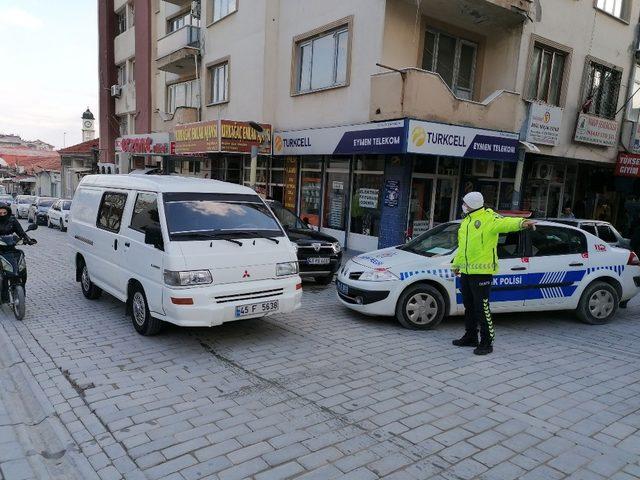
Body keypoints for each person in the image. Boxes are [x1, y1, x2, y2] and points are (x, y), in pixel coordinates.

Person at [451, 192, 535, 355]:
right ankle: (470, 337)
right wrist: (457, 264)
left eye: (465, 203)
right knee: (469, 306)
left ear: (473, 204)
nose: (463, 205)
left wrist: (523, 223)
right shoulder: (466, 222)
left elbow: (506, 223)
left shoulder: (489, 218)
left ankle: (487, 343)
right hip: (467, 272)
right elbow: (463, 248)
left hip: (482, 272)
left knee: (482, 308)